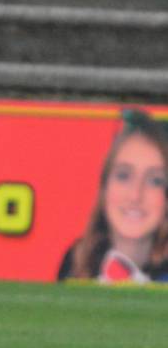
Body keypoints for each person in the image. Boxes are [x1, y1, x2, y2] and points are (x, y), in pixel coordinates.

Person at [58, 110, 168, 283]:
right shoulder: (76, 260)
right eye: (124, 176)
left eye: (155, 181)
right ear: (105, 186)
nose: (135, 195)